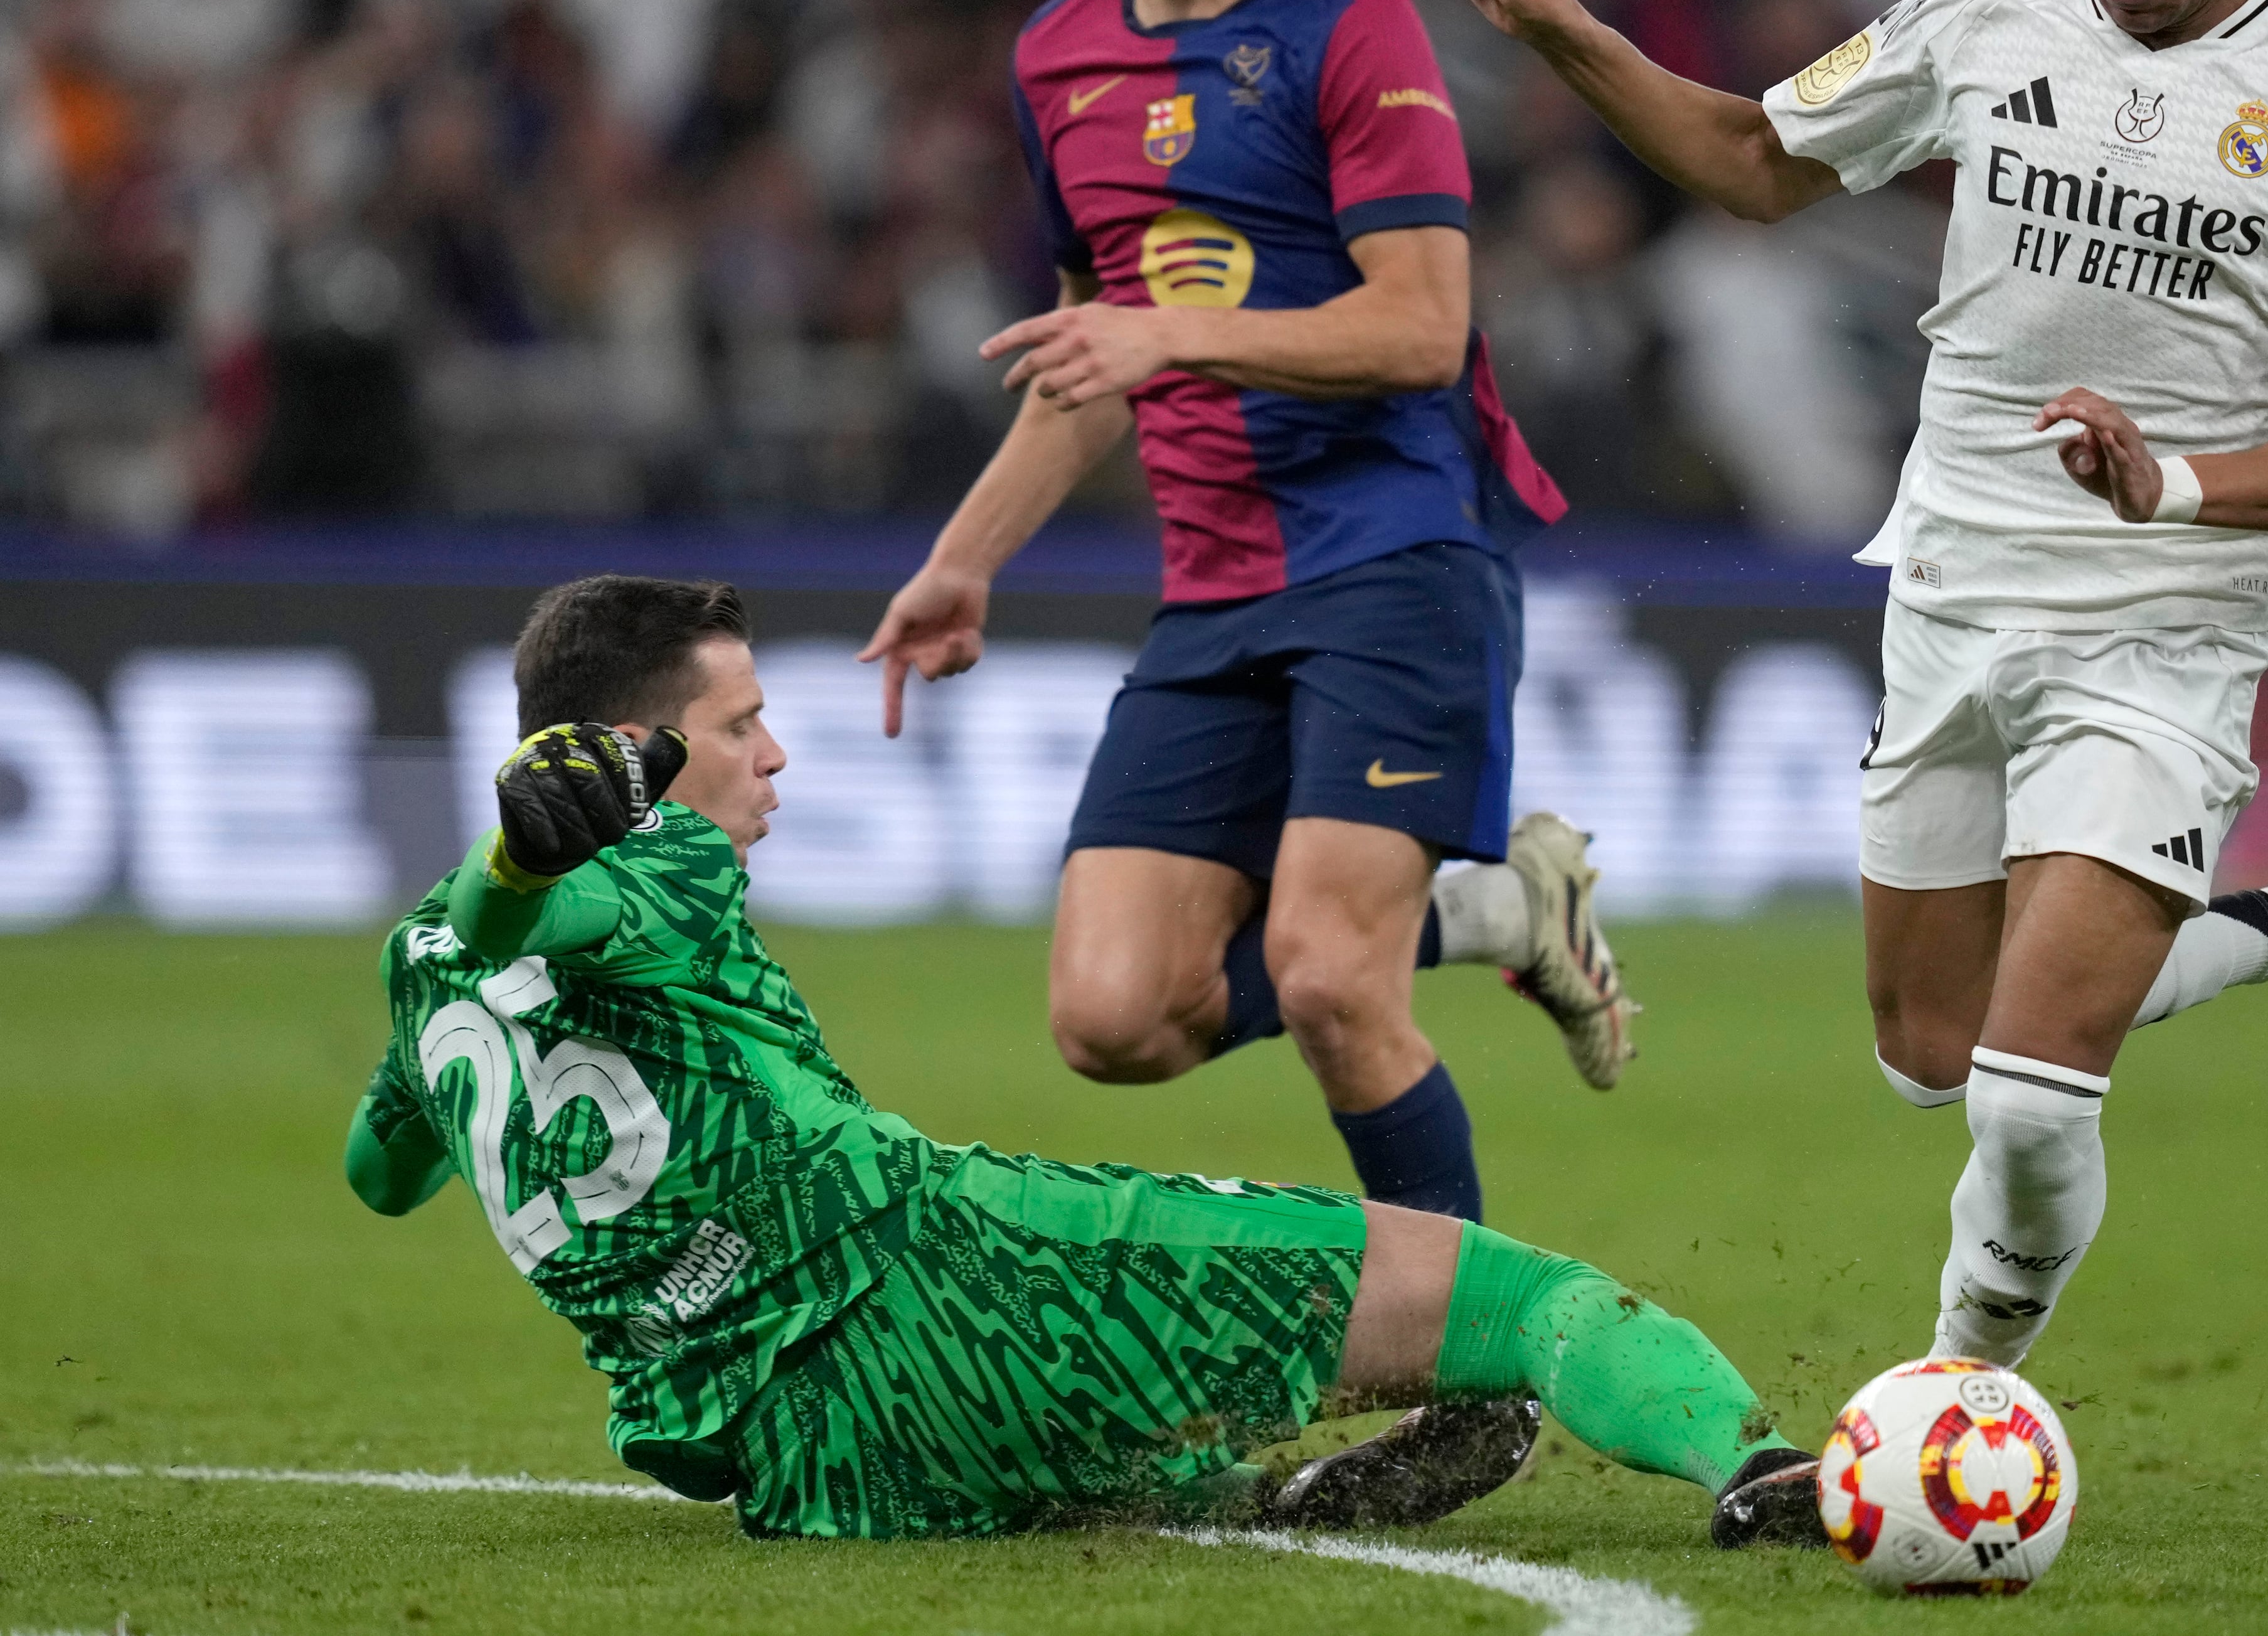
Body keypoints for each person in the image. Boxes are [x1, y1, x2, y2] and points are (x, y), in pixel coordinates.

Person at [1397, 0, 2268, 1413]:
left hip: (2169, 618)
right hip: (1955, 587)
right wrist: (1559, 26)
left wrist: (2183, 484)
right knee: (1930, 1052)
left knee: (2029, 1093)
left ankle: (1949, 1401)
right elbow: (1755, 161)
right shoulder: (1995, 4)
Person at [347, 575, 1819, 1543]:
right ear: (626, 754)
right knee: (1516, 1291)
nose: (776, 754)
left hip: (797, 1450)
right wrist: (519, 850)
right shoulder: (644, 853)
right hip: (943, 1276)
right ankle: (1767, 1474)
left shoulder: (419, 971)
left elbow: (379, 1168)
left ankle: (1245, 1494)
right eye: (740, 725)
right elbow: (548, 891)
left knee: (1140, 1483)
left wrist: (493, 893)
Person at [859, 0, 1629, 1256]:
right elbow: (1088, 360)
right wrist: (963, 558)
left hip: (1395, 554)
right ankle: (1497, 908)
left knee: (1338, 983)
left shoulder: (1359, 29)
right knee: (1112, 1014)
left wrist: (1172, 333)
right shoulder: (1055, 57)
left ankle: (1462, 1380)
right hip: (1217, 592)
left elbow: (1420, 327)